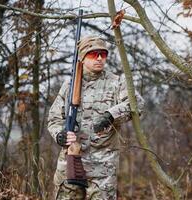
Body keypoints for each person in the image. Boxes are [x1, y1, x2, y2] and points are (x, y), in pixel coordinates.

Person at [47, 35, 145, 200]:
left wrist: (111, 115)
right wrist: (59, 135)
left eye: (103, 54)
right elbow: (54, 119)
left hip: (103, 165)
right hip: (70, 160)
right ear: (83, 58)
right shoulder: (69, 86)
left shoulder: (116, 82)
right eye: (93, 54)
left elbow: (137, 104)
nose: (99, 58)